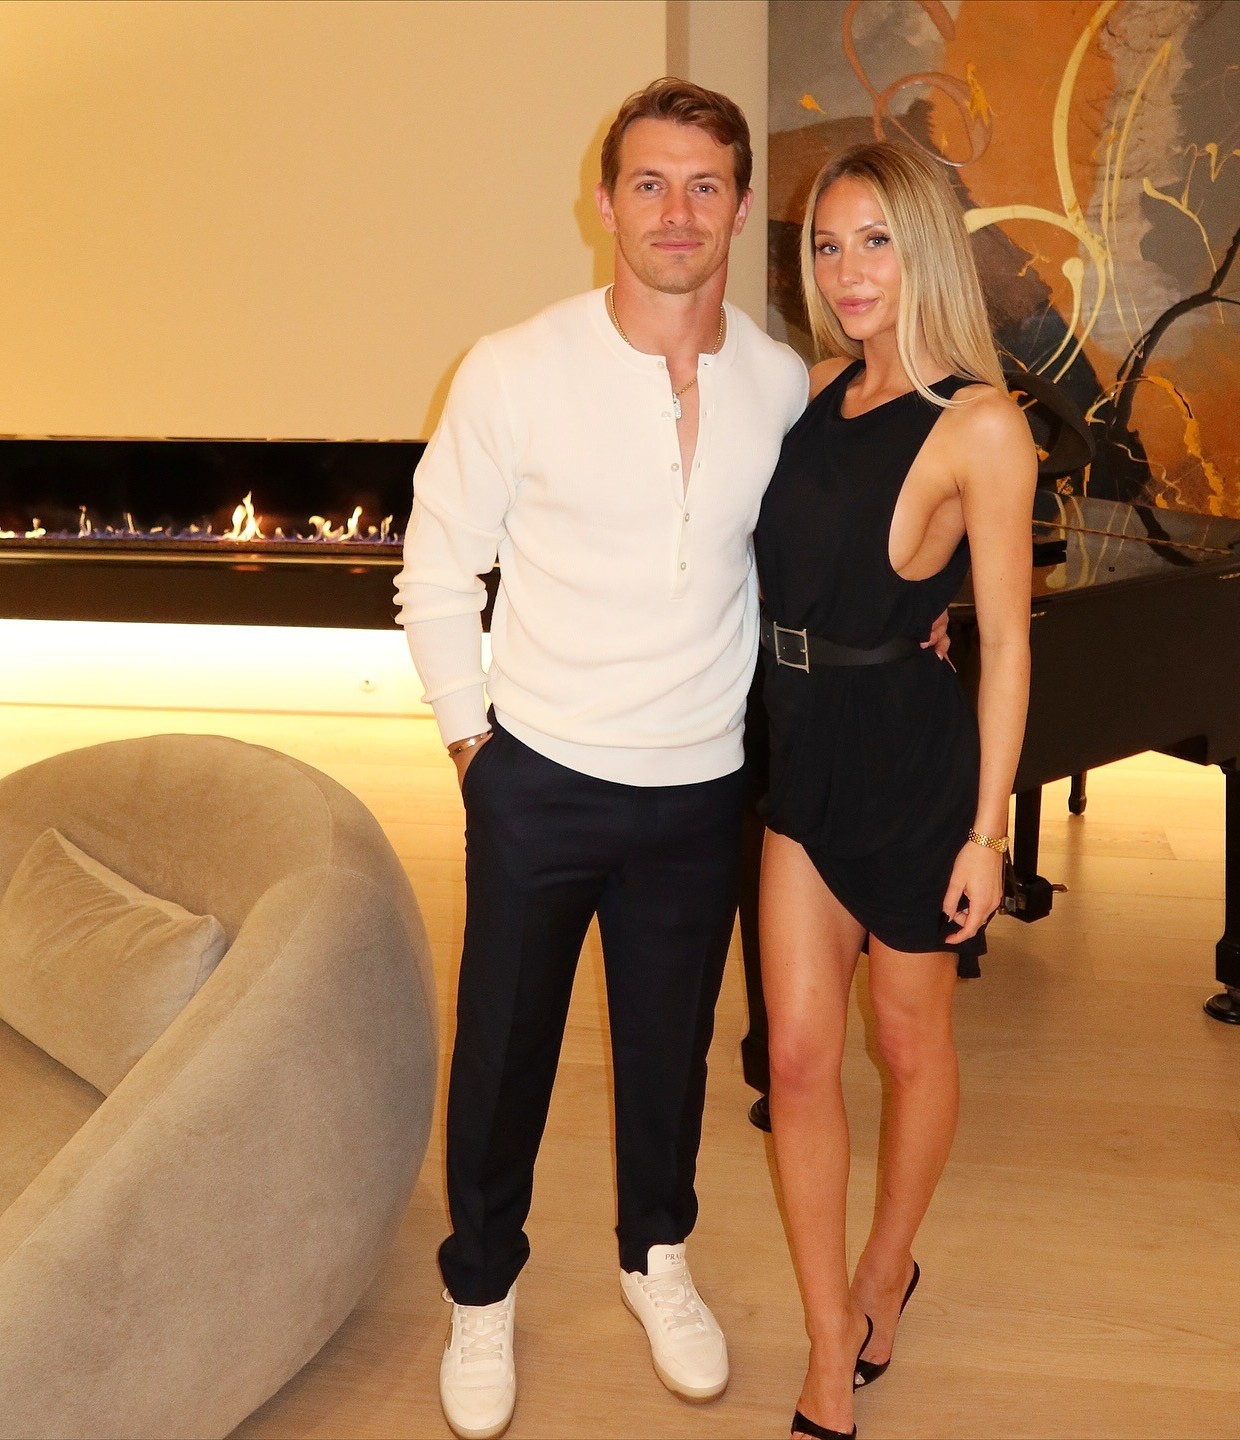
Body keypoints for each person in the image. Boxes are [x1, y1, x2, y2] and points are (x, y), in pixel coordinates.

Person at [395, 79, 810, 1439]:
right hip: (540, 777)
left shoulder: (779, 383)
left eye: (704, 186)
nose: (676, 211)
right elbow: (436, 567)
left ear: (738, 209)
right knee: (503, 1049)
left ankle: (657, 1257)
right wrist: (474, 745)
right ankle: (481, 1285)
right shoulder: (515, 367)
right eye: (650, 183)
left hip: (699, 789)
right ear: (605, 202)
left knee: (671, 1049)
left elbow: (800, 563)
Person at [753, 143, 1037, 1440]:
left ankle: (886, 1267)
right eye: (827, 245)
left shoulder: (982, 423)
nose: (847, 271)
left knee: (910, 1047)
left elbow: (1006, 642)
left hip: (911, 774)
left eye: (874, 241)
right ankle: (828, 1343)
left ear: (921, 246)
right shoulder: (815, 391)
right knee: (797, 1058)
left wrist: (989, 832)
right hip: (800, 751)